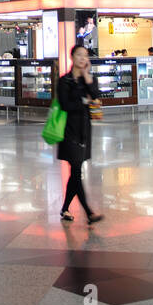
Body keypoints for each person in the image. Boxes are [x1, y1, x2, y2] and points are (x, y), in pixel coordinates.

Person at [57, 45, 104, 223]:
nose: (83, 58)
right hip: (68, 132)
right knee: (76, 171)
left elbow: (97, 97)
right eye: (79, 55)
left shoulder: (89, 80)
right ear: (72, 57)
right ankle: (89, 212)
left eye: (85, 56)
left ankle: (65, 208)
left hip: (84, 131)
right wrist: (85, 102)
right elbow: (65, 105)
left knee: (75, 173)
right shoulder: (64, 81)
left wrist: (86, 76)